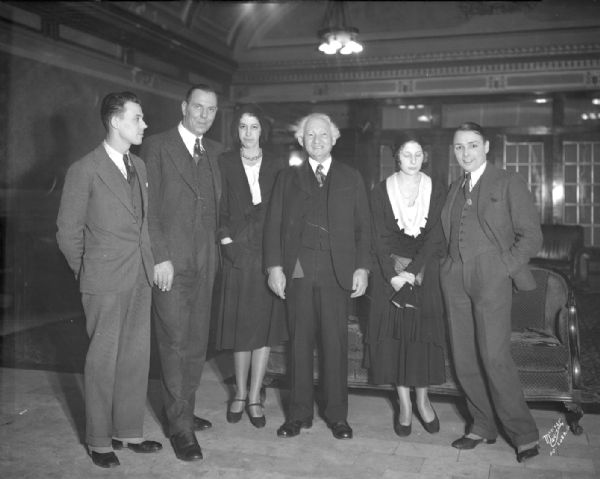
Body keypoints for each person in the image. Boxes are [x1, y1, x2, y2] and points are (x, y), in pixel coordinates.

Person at [56, 91, 161, 468]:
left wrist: (151, 264)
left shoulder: (141, 167)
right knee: (102, 361)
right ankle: (99, 439)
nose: (144, 125)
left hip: (138, 275)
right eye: (138, 118)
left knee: (135, 356)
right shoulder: (84, 169)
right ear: (116, 121)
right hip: (103, 278)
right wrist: (88, 271)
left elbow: (144, 225)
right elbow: (67, 232)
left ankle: (128, 431)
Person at [263, 113, 372, 440]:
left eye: (323, 135)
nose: (317, 140)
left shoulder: (351, 177)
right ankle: (297, 415)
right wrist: (274, 267)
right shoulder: (287, 177)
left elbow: (364, 228)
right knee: (298, 343)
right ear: (302, 140)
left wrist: (362, 268)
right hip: (297, 268)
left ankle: (338, 416)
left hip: (337, 270)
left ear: (334, 138)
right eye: (310, 135)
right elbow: (274, 225)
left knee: (334, 345)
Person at [440, 122, 542, 462]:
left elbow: (531, 236)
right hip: (455, 276)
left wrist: (502, 267)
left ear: (486, 147)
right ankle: (482, 426)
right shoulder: (455, 187)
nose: (465, 153)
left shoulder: (508, 181)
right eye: (459, 147)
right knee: (464, 358)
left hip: (492, 276)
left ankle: (524, 434)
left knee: (495, 357)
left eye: (472, 145)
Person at [141, 84, 223, 462]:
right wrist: (159, 257)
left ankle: (183, 411)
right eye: (198, 108)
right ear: (184, 107)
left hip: (206, 262)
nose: (204, 115)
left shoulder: (217, 152)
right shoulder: (157, 146)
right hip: (171, 263)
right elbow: (149, 209)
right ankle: (180, 428)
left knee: (196, 343)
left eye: (211, 110)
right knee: (173, 343)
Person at [366, 134, 446, 437]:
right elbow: (377, 237)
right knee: (396, 341)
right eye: (406, 155)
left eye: (417, 154)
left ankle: (424, 401)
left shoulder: (437, 188)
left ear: (423, 157)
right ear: (396, 158)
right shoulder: (380, 191)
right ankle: (404, 405)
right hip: (391, 278)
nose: (412, 160)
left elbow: (437, 236)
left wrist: (414, 271)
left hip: (425, 274)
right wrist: (393, 275)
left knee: (421, 340)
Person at [215, 104, 287, 428]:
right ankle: (239, 394)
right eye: (242, 127)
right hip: (238, 255)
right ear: (236, 130)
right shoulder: (224, 162)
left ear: (262, 131)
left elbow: (284, 211)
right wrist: (226, 242)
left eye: (253, 127)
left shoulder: (277, 164)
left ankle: (256, 395)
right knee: (241, 328)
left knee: (264, 330)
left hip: (267, 255)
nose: (247, 133)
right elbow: (218, 208)